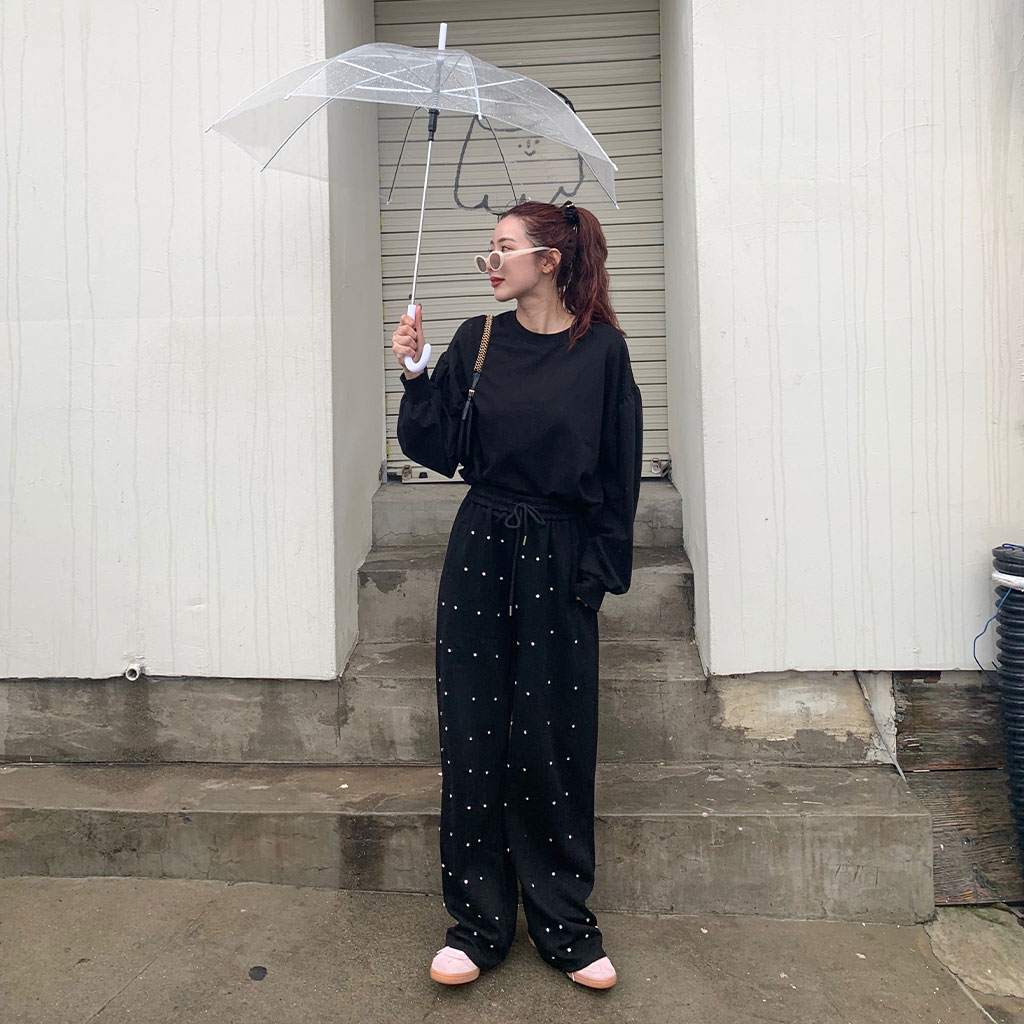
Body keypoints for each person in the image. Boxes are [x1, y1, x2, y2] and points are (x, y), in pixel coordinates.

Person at [392, 199, 643, 990]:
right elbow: (438, 444)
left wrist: (595, 576)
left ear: (551, 259)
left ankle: (565, 926)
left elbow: (620, 471)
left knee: (553, 740)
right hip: (482, 546)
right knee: (472, 736)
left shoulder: (602, 352)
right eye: (488, 251)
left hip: (561, 554)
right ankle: (477, 926)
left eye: (503, 248)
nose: (491, 263)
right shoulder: (479, 338)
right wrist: (416, 369)